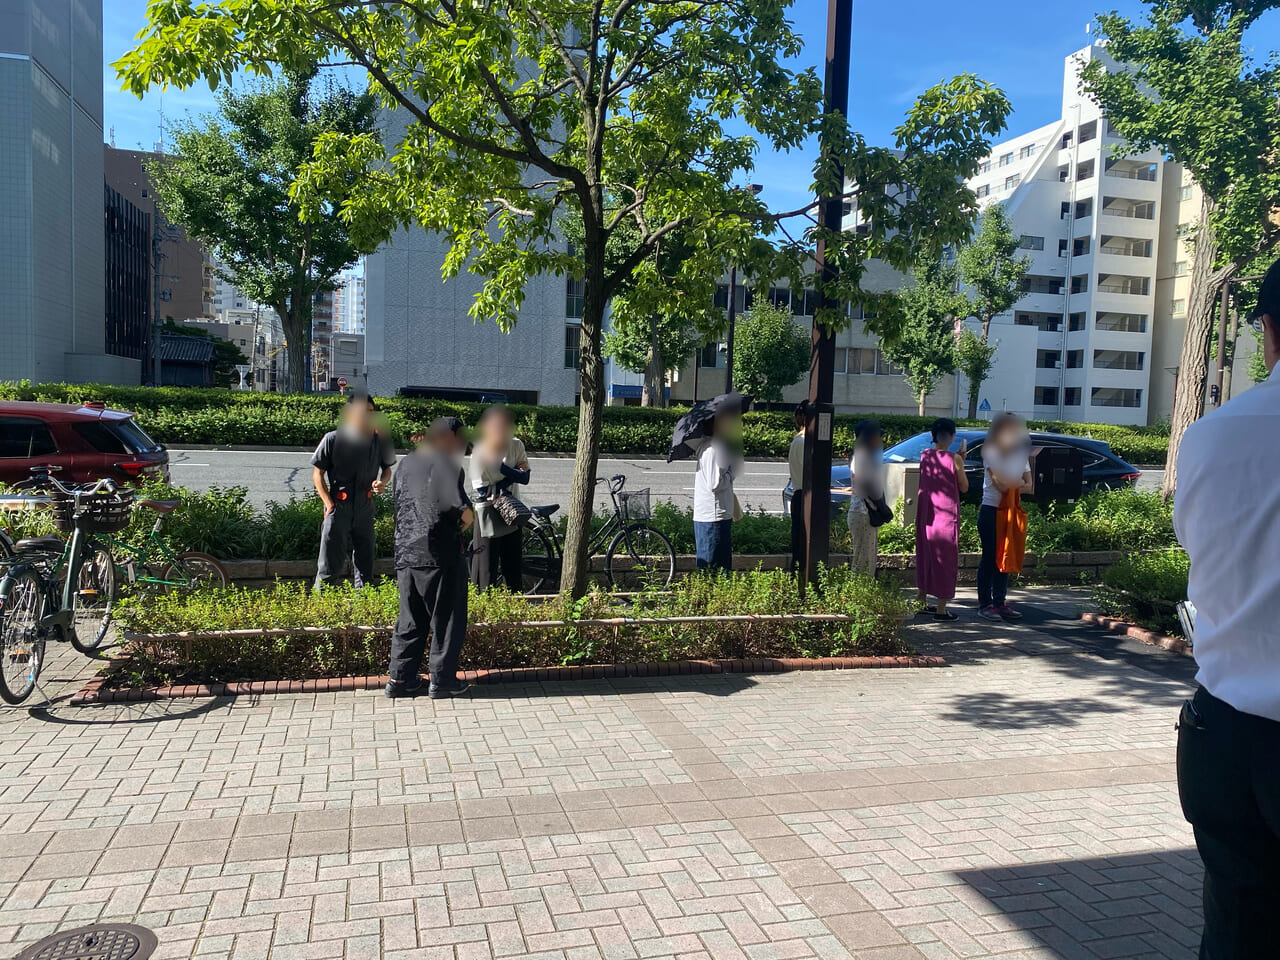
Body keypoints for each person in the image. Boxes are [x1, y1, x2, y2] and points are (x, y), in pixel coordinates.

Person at [1173, 255, 1280, 959]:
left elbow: (1200, 550)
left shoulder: (1210, 435)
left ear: (1268, 331)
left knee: (1238, 933)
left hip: (1226, 737)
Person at [385, 417, 475, 700]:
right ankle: (443, 680)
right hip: (439, 553)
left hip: (406, 553)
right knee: (447, 619)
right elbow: (462, 511)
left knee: (410, 620)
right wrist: (464, 526)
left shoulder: (405, 463)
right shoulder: (445, 464)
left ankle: (400, 680)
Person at [312, 393, 395, 589]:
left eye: (370, 412)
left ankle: (364, 604)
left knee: (366, 561)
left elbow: (388, 470)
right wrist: (329, 504)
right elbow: (318, 474)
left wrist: (382, 483)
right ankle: (321, 607)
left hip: (365, 508)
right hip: (339, 506)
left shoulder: (380, 441)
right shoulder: (333, 439)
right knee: (329, 563)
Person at [976, 412, 1032, 621]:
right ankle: (985, 604)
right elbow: (1000, 485)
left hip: (1011, 510)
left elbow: (1030, 485)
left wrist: (1013, 485)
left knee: (1006, 556)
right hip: (991, 510)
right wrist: (1016, 484)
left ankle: (1000, 602)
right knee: (990, 558)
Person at [468, 405, 530, 591]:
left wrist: (501, 469)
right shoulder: (479, 451)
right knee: (485, 568)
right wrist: (511, 477)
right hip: (488, 514)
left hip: (512, 513)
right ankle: (484, 608)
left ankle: (515, 607)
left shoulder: (516, 444)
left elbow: (525, 477)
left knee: (513, 566)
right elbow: (481, 489)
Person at [916, 418, 969, 620]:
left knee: (925, 554)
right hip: (945, 515)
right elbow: (963, 486)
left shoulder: (925, 455)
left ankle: (921, 598)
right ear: (953, 436)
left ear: (932, 435)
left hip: (926, 514)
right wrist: (960, 461)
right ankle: (940, 608)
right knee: (946, 560)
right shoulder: (955, 459)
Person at [693, 408, 743, 573]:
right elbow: (715, 484)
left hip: (707, 515)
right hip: (715, 516)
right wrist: (732, 472)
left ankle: (706, 596)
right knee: (717, 569)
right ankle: (713, 597)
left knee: (708, 568)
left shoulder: (705, 445)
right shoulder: (716, 448)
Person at [847, 420, 884, 576]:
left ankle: (860, 595)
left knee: (863, 559)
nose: (880, 440)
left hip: (861, 511)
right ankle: (858, 597)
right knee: (864, 563)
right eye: (877, 436)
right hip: (864, 512)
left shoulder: (860, 455)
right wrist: (881, 503)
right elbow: (870, 486)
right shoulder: (863, 456)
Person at [788, 401, 809, 575]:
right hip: (804, 495)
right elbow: (810, 472)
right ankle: (799, 577)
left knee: (799, 540)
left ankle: (797, 575)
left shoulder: (799, 440)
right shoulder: (803, 442)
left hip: (799, 494)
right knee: (802, 542)